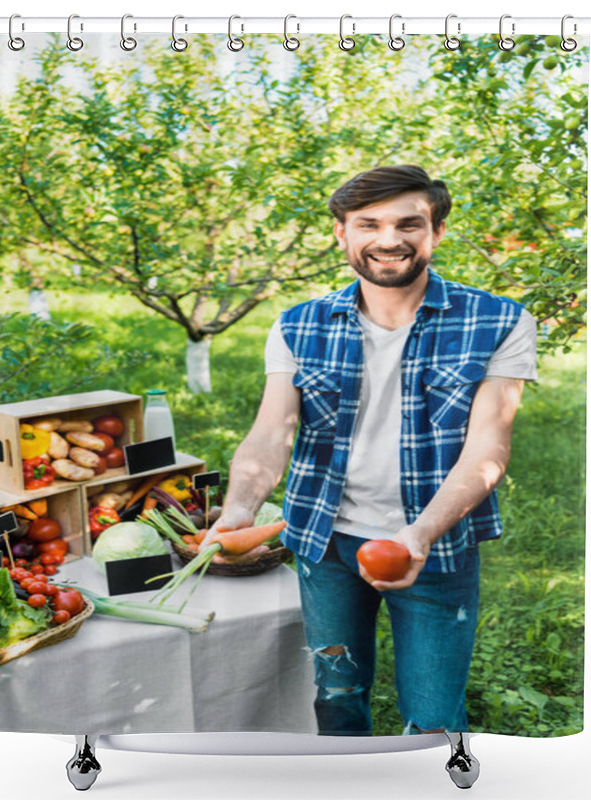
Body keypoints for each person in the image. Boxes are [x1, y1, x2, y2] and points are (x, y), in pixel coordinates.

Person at [201, 165, 537, 736]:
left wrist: (419, 536)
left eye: (409, 223)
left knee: (433, 720)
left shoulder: (498, 321)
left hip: (435, 544)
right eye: (369, 224)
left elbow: (488, 446)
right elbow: (269, 436)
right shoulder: (298, 326)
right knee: (336, 696)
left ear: (437, 231)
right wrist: (238, 511)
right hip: (323, 543)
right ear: (342, 233)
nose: (388, 239)